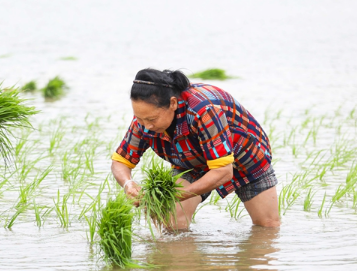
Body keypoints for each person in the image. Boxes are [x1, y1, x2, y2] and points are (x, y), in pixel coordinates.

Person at [111, 68, 280, 229]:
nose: (146, 127)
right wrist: (128, 184)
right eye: (140, 119)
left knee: (267, 226)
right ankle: (184, 258)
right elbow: (120, 161)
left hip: (244, 158)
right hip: (192, 163)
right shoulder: (145, 120)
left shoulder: (203, 111)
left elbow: (223, 171)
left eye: (152, 119)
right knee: (171, 219)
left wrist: (181, 194)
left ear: (173, 103)